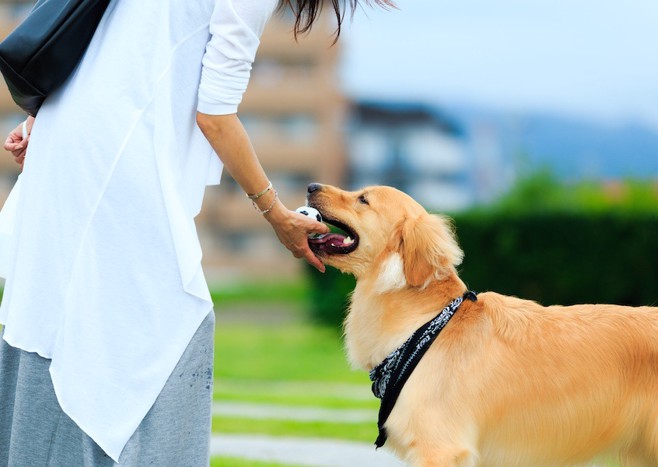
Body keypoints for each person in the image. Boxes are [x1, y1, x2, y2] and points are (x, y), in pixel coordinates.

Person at [0, 0, 392, 465]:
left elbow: (94, 36)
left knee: (65, 318)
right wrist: (277, 215)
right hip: (119, 158)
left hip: (72, 135)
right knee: (167, 330)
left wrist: (49, 123)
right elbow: (215, 116)